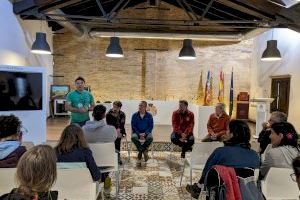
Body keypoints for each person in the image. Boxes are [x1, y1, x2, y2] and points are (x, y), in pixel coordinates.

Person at [186, 120, 260, 199]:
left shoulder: (220, 152)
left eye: (228, 130)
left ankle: (198, 187)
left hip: (223, 194)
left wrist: (201, 183)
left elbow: (207, 171)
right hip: (249, 195)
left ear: (232, 134)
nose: (225, 132)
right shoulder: (255, 156)